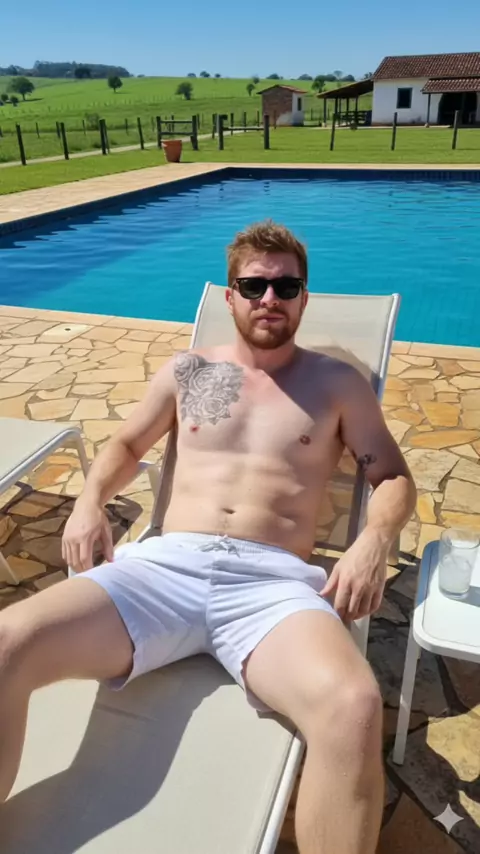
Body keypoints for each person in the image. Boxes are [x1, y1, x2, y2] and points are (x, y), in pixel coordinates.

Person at [0, 220, 416, 854]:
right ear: (230, 296)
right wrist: (88, 502)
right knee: (8, 640)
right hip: (163, 568)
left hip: (272, 587)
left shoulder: (337, 384)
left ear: (304, 297)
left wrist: (373, 542)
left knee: (353, 706)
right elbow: (126, 444)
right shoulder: (189, 371)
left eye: (286, 287)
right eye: (253, 286)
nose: (269, 299)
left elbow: (392, 477)